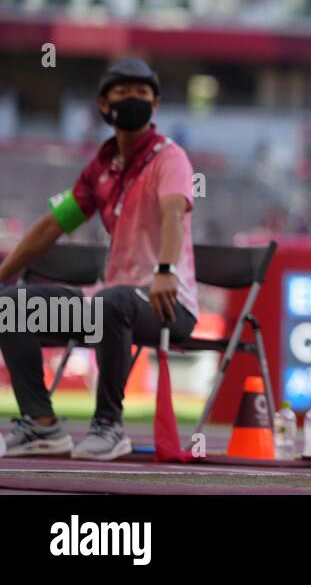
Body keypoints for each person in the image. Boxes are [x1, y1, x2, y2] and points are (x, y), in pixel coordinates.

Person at [0, 58, 200, 460]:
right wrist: (3, 272)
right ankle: (41, 424)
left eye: (142, 94)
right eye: (123, 92)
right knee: (11, 304)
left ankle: (109, 425)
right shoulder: (102, 169)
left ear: (155, 106)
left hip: (166, 303)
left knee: (113, 302)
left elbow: (174, 213)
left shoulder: (169, 157)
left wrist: (165, 270)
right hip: (110, 302)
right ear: (103, 105)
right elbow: (53, 225)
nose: (133, 99)